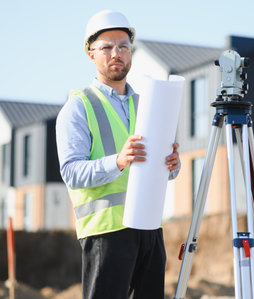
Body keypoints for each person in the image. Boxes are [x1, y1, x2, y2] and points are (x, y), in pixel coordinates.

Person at [55, 10, 180, 299]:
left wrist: (172, 165)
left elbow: (163, 168)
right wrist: (118, 161)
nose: (116, 53)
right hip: (105, 233)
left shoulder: (147, 103)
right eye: (107, 47)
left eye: (123, 46)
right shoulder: (78, 106)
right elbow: (71, 172)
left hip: (149, 228)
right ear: (91, 54)